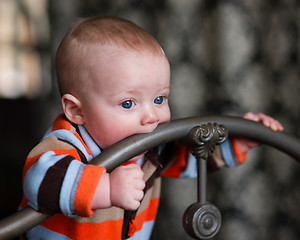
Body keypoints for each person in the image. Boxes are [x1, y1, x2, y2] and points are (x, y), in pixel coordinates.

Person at [20, 16, 283, 240]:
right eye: (128, 103)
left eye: (159, 99)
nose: (150, 116)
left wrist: (238, 142)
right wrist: (107, 188)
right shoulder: (65, 146)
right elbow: (38, 182)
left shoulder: (152, 147)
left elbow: (193, 157)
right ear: (77, 111)